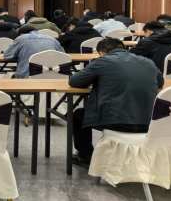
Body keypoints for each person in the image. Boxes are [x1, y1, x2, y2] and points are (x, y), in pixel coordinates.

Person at [69, 38, 163, 167]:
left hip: (117, 122)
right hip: (149, 122)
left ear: (102, 53)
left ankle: (86, 157)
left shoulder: (102, 61)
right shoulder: (148, 62)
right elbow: (160, 82)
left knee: (78, 115)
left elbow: (74, 81)